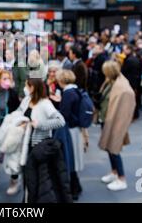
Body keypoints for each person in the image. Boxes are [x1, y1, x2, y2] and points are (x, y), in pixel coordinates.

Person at [15, 77, 66, 202]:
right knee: (27, 179)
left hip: (38, 148)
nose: (25, 88)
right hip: (24, 146)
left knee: (37, 181)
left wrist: (40, 124)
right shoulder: (27, 100)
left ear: (33, 88)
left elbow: (60, 121)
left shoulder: (45, 104)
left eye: (27, 86)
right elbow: (18, 113)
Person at [98, 60, 136, 191]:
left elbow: (126, 110)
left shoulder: (123, 88)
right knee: (109, 148)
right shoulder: (110, 81)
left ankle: (122, 178)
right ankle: (114, 172)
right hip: (107, 120)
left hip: (116, 123)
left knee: (114, 149)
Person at [56, 69, 88, 200]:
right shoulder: (75, 91)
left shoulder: (68, 93)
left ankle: (74, 189)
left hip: (71, 130)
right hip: (76, 129)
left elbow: (64, 114)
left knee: (71, 159)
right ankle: (76, 186)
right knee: (74, 159)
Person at [0, 69, 20, 195]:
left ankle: (14, 180)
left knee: (12, 153)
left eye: (9, 79)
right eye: (4, 79)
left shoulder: (13, 93)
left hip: (9, 128)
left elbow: (17, 110)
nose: (7, 81)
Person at [121, 44, 142, 120]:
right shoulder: (134, 58)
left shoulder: (129, 60)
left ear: (129, 50)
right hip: (134, 81)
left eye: (125, 49)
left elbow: (124, 71)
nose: (123, 51)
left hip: (131, 81)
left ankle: (132, 114)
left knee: (131, 99)